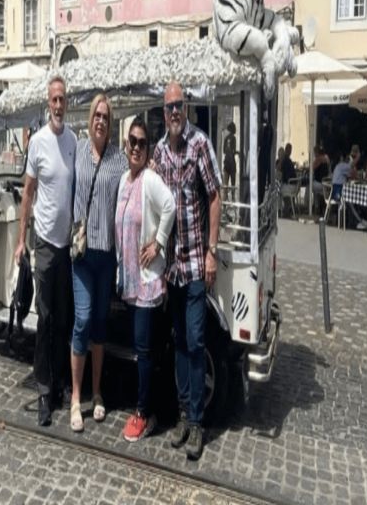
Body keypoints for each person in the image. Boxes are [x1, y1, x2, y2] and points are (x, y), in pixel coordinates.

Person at [153, 81, 222, 461]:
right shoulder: (161, 151)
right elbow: (155, 200)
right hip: (173, 268)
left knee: (196, 343)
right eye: (169, 108)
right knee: (179, 343)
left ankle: (197, 422)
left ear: (187, 107)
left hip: (195, 264)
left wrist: (211, 251)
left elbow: (215, 195)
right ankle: (182, 414)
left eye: (179, 105)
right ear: (163, 114)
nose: (175, 113)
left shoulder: (200, 144)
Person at [14, 75, 77, 427]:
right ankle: (43, 390)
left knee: (64, 321)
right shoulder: (37, 142)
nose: (57, 105)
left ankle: (61, 385)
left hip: (68, 247)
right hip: (45, 246)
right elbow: (28, 193)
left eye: (62, 99)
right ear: (47, 102)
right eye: (53, 99)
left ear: (66, 103)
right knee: (46, 317)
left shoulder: (72, 141)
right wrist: (22, 240)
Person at [69, 94, 127, 433]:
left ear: (111, 121)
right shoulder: (77, 149)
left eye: (106, 116)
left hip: (106, 254)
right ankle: (76, 398)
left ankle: (97, 393)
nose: (101, 121)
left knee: (100, 324)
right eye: (96, 115)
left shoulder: (118, 158)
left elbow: (136, 178)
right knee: (83, 318)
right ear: (90, 120)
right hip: (81, 252)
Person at [115, 116, 175, 442]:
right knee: (141, 348)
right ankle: (143, 403)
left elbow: (170, 205)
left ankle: (144, 412)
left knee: (144, 350)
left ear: (147, 147)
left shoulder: (149, 178)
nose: (136, 147)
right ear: (126, 145)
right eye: (132, 142)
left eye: (142, 143)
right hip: (130, 282)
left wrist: (158, 243)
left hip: (148, 282)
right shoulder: (125, 178)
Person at [223, 122, 237, 199]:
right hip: (232, 163)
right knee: (233, 183)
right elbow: (233, 151)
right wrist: (238, 152)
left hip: (226, 163)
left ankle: (225, 200)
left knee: (225, 184)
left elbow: (224, 151)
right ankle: (233, 198)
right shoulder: (234, 138)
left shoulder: (226, 138)